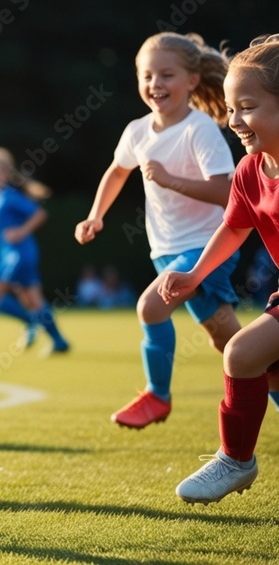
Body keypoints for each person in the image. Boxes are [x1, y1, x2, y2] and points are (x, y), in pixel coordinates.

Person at [74, 32, 242, 430]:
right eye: (146, 76)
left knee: (150, 306)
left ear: (192, 81)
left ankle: (157, 397)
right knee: (230, 344)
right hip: (165, 250)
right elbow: (117, 171)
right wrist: (96, 214)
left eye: (166, 75)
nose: (155, 85)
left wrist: (171, 181)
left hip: (206, 248)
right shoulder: (137, 131)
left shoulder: (200, 130)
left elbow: (228, 193)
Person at [158, 34, 279, 503]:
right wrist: (194, 276)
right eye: (230, 109)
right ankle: (237, 459)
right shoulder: (250, 171)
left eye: (246, 107)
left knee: (243, 354)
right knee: (262, 371)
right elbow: (233, 228)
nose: (235, 122)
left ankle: (235, 461)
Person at [0, 147, 70, 354]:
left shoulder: (9, 196)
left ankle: (30, 322)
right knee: (33, 300)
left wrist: (21, 231)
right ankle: (59, 341)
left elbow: (39, 214)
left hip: (19, 254)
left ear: (6, 173)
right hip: (5, 254)